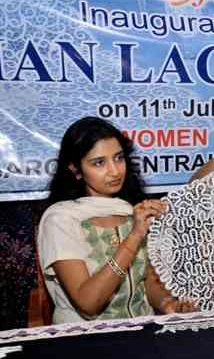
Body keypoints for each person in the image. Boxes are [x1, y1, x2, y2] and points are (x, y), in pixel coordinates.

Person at [38, 116, 193, 323]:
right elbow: (88, 304)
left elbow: (146, 280)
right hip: (85, 335)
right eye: (99, 163)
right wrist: (134, 236)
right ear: (76, 170)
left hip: (142, 329)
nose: (115, 171)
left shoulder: (130, 209)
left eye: (119, 158)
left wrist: (167, 304)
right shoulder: (61, 219)